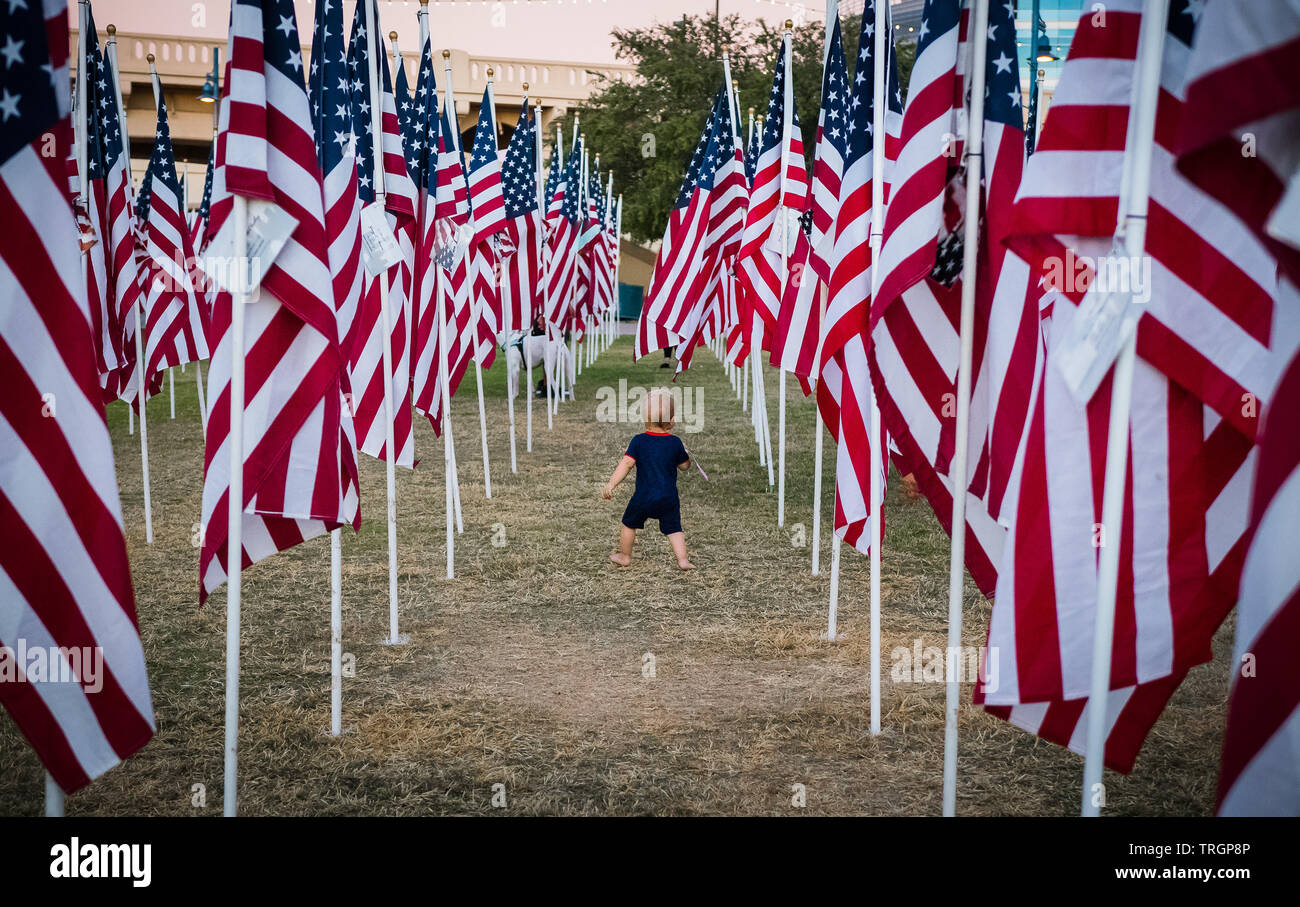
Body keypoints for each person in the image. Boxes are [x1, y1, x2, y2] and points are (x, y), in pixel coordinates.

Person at [602, 388, 695, 570]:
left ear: (645, 419)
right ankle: (683, 559)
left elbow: (627, 464)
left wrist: (612, 483)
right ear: (671, 422)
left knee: (629, 524)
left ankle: (624, 555)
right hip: (668, 497)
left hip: (643, 497)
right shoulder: (675, 442)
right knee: (674, 528)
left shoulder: (638, 441)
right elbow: (685, 466)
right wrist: (684, 453)